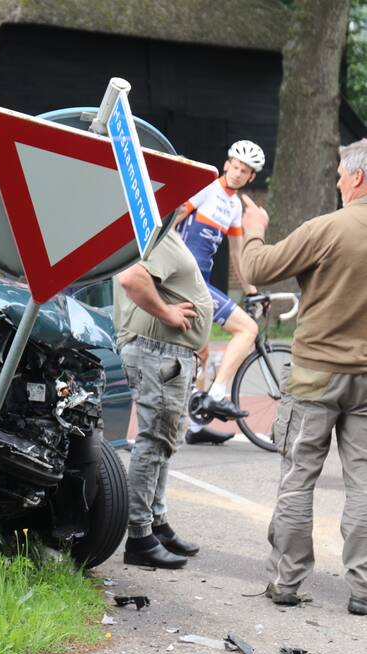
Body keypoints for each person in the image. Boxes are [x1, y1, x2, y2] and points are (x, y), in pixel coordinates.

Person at [240, 139, 367, 617]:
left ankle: (286, 581)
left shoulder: (329, 228)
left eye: (339, 172)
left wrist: (253, 230)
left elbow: (256, 268)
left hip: (315, 374)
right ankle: (364, 588)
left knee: (298, 480)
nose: (336, 179)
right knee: (365, 486)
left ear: (357, 177)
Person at [114, 227, 213, 569]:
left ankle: (156, 523)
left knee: (164, 441)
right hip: (159, 353)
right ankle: (140, 537)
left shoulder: (160, 231)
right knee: (154, 441)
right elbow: (131, 277)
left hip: (166, 352)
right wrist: (167, 313)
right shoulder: (156, 233)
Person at [171, 140, 265, 445]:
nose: (237, 173)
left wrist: (251, 290)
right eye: (235, 166)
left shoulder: (235, 206)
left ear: (251, 178)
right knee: (247, 329)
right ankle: (217, 394)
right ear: (226, 164)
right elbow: (174, 219)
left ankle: (196, 427)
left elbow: (238, 256)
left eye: (245, 171)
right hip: (188, 279)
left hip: (203, 281)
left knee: (202, 352)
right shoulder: (207, 188)